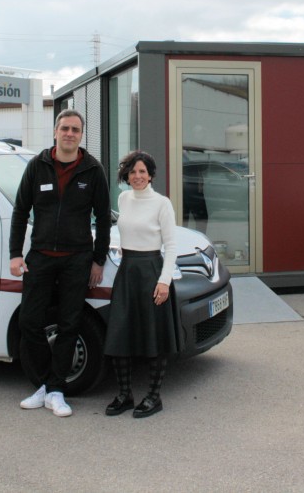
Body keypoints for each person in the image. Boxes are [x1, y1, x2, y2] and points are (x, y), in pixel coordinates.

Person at [9, 109, 111, 417]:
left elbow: (104, 218)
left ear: (81, 135)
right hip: (39, 257)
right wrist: (15, 253)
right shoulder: (37, 166)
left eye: (75, 130)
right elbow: (20, 211)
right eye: (64, 128)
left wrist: (98, 260)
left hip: (76, 259)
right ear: (55, 131)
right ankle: (43, 384)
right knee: (29, 322)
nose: (69, 133)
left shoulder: (93, 170)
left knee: (69, 324)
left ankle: (56, 390)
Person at [103, 150, 179, 418]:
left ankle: (153, 397)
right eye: (133, 171)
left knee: (153, 337)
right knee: (119, 333)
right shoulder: (123, 199)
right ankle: (125, 395)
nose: (137, 176)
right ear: (127, 174)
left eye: (142, 172)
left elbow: (171, 246)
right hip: (127, 271)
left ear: (151, 175)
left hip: (151, 272)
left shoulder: (162, 203)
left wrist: (164, 282)